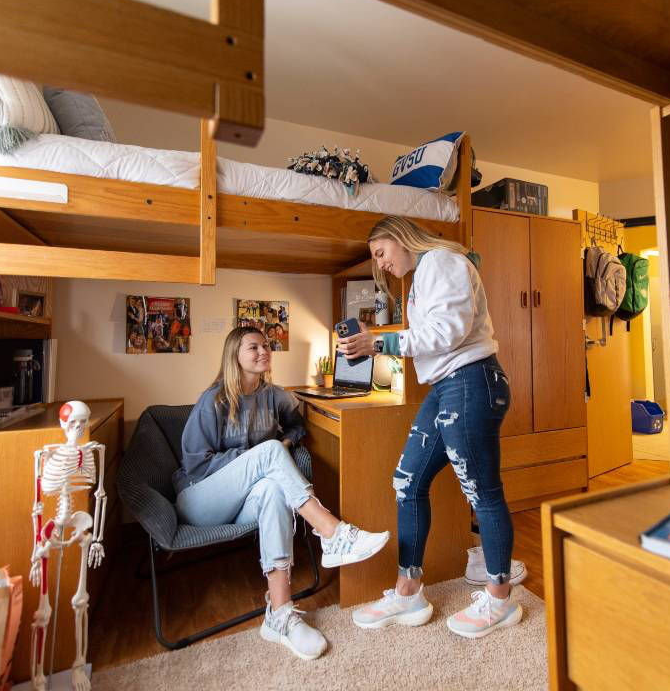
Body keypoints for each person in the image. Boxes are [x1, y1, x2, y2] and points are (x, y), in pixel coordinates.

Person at [338, 215, 520, 639]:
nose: (380, 264)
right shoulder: (423, 278)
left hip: (471, 381)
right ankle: (408, 591)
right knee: (408, 481)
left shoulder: (441, 261)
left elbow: (447, 332)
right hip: (447, 386)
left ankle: (499, 599)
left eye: (381, 253)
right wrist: (379, 339)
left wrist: (378, 342)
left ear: (401, 238)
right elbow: (431, 334)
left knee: (481, 490)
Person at [175, 326, 388, 660]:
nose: (264, 351)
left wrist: (282, 445)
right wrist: (257, 457)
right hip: (200, 498)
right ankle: (332, 532)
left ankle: (280, 614)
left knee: (273, 488)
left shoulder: (273, 395)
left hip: (245, 500)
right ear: (234, 356)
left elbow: (296, 425)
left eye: (266, 345)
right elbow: (195, 464)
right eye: (253, 347)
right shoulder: (213, 400)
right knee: (269, 453)